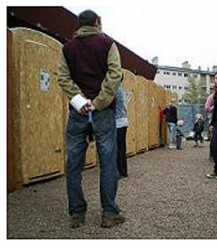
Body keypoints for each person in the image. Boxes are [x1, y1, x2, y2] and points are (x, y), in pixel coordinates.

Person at [58, 9, 125, 228]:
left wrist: (80, 100)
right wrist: (99, 101)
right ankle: (109, 213)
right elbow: (115, 75)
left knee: (74, 164)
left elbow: (63, 78)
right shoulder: (108, 45)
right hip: (103, 112)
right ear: (97, 23)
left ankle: (77, 213)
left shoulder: (67, 48)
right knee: (107, 163)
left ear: (80, 25)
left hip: (78, 112)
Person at [116, 86, 128, 177]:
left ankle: (119, 171)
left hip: (118, 123)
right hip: (123, 121)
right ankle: (123, 171)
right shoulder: (121, 90)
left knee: (117, 149)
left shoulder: (116, 89)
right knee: (121, 148)